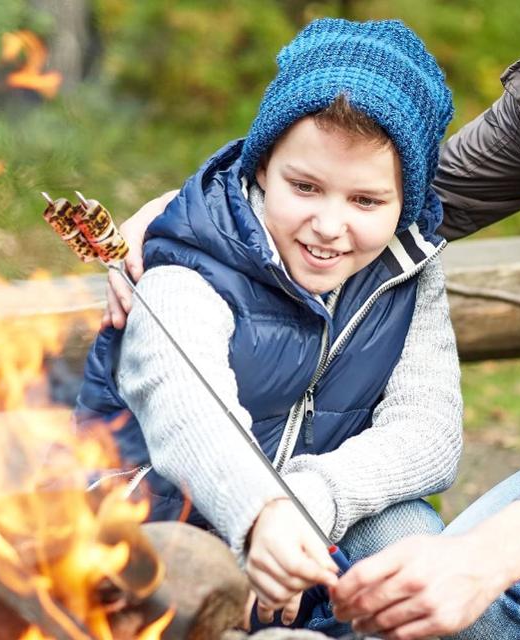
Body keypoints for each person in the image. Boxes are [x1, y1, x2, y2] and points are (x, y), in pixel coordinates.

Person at [107, 0, 520, 638]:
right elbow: (406, 189)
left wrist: (489, 554)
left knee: (471, 580)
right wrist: (193, 217)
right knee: (445, 602)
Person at [74, 18, 462, 634]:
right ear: (261, 169)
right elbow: (190, 415)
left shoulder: (403, 273)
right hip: (160, 530)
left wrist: (309, 500)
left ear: (403, 202)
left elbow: (430, 434)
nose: (330, 225)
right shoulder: (189, 265)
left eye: (365, 201)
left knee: (411, 537)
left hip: (312, 520)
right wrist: (261, 515)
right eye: (305, 187)